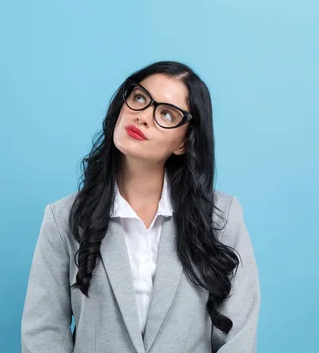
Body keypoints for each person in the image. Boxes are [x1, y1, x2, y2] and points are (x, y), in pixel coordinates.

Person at [21, 61, 261, 353]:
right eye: (139, 98)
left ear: (184, 142)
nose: (144, 117)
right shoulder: (63, 219)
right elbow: (44, 334)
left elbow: (239, 336)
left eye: (167, 114)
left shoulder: (221, 217)